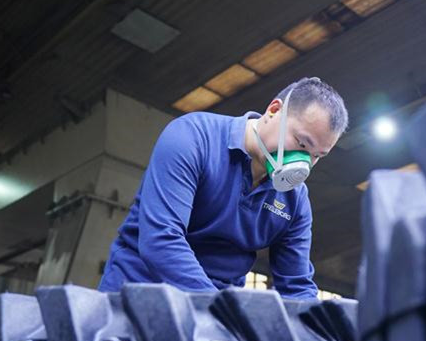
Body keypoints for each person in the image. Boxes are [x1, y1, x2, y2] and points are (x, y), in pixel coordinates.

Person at [98, 77, 348, 298]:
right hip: (138, 295)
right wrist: (221, 311)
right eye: (302, 143)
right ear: (274, 110)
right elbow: (160, 240)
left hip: (214, 318)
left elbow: (296, 286)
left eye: (317, 156)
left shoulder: (295, 200)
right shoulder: (193, 137)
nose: (303, 163)